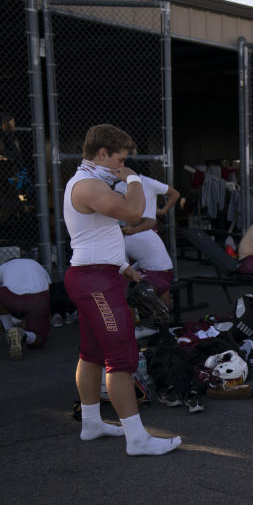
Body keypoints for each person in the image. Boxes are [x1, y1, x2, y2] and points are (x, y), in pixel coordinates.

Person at [63, 124, 180, 455]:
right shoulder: (86, 185)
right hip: (95, 282)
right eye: (119, 158)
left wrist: (122, 265)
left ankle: (91, 423)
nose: (121, 164)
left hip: (98, 275)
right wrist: (132, 179)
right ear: (102, 153)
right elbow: (132, 211)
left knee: (92, 352)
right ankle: (138, 439)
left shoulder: (90, 181)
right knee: (121, 354)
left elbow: (99, 235)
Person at [113, 172, 179, 307]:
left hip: (143, 228)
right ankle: (152, 311)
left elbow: (175, 194)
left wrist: (162, 211)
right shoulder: (119, 186)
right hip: (136, 229)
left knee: (136, 272)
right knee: (136, 268)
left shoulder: (149, 182)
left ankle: (142, 313)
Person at [0, 257, 51, 360]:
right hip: (40, 298)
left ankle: (8, 330)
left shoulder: (3, 267)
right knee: (39, 340)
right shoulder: (35, 263)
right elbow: (48, 288)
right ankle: (24, 335)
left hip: (12, 298)